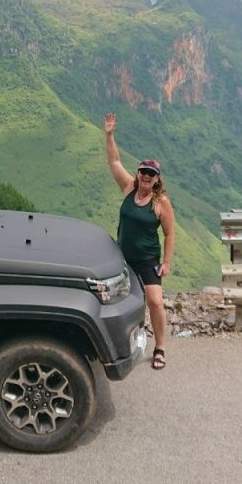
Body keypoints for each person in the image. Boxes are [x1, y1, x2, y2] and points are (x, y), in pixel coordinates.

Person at [103, 112, 175, 370]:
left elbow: (169, 233)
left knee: (154, 300)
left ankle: (161, 347)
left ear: (157, 179)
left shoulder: (161, 202)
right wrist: (109, 135)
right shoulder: (129, 188)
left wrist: (165, 262)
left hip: (147, 261)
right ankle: (123, 343)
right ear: (138, 172)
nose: (146, 176)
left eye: (151, 174)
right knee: (122, 301)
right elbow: (114, 161)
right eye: (143, 171)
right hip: (124, 257)